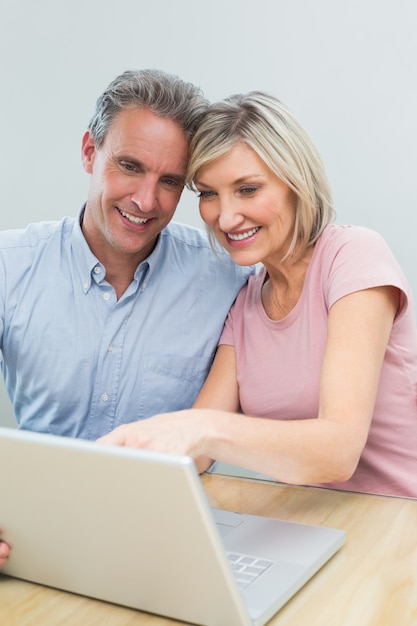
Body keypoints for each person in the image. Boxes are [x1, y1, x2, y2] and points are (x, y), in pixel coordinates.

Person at [98, 90, 417, 499]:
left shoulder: (352, 257)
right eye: (209, 193)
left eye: (247, 189)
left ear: (295, 183)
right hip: (315, 528)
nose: (226, 217)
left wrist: (202, 431)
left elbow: (338, 450)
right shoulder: (246, 302)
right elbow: (189, 456)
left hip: (399, 525)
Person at [0, 71, 253, 565]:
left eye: (170, 182)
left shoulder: (229, 279)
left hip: (171, 541)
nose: (145, 200)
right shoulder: (9, 265)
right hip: (35, 535)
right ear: (89, 152)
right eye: (130, 166)